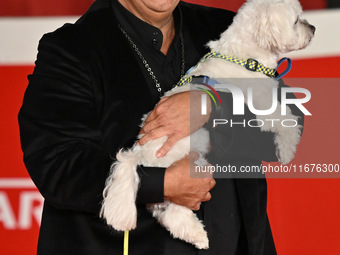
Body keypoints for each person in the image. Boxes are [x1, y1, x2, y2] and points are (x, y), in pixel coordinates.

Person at [18, 0, 285, 254]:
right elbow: (57, 165)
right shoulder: (70, 49)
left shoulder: (227, 28)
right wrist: (162, 184)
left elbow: (287, 126)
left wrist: (212, 102)